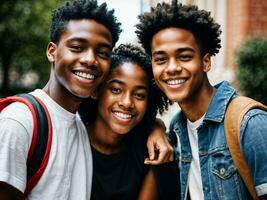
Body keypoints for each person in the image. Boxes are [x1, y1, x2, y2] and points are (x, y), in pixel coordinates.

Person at [0, 0, 173, 199]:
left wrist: (156, 127)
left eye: (102, 53)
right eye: (77, 47)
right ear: (51, 51)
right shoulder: (20, 123)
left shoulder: (79, 126)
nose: (90, 59)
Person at [135, 0, 267, 199]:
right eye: (161, 59)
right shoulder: (177, 130)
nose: (171, 68)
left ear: (205, 62)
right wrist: (156, 126)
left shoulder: (249, 123)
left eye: (184, 57)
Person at [78, 44, 179, 200]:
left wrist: (157, 127)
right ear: (97, 91)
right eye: (116, 90)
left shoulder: (149, 152)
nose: (127, 103)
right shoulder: (71, 139)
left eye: (139, 95)